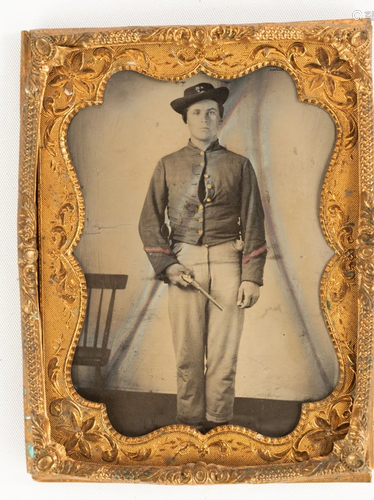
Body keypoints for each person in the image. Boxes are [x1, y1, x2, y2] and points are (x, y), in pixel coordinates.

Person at [139, 82, 267, 431]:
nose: (205, 118)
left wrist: (251, 277)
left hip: (229, 263)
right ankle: (190, 422)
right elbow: (150, 223)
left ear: (220, 117)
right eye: (197, 112)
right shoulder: (167, 165)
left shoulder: (240, 165)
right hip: (184, 266)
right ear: (186, 119)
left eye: (211, 111)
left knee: (224, 356)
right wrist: (168, 265)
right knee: (187, 355)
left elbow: (254, 222)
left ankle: (218, 423)